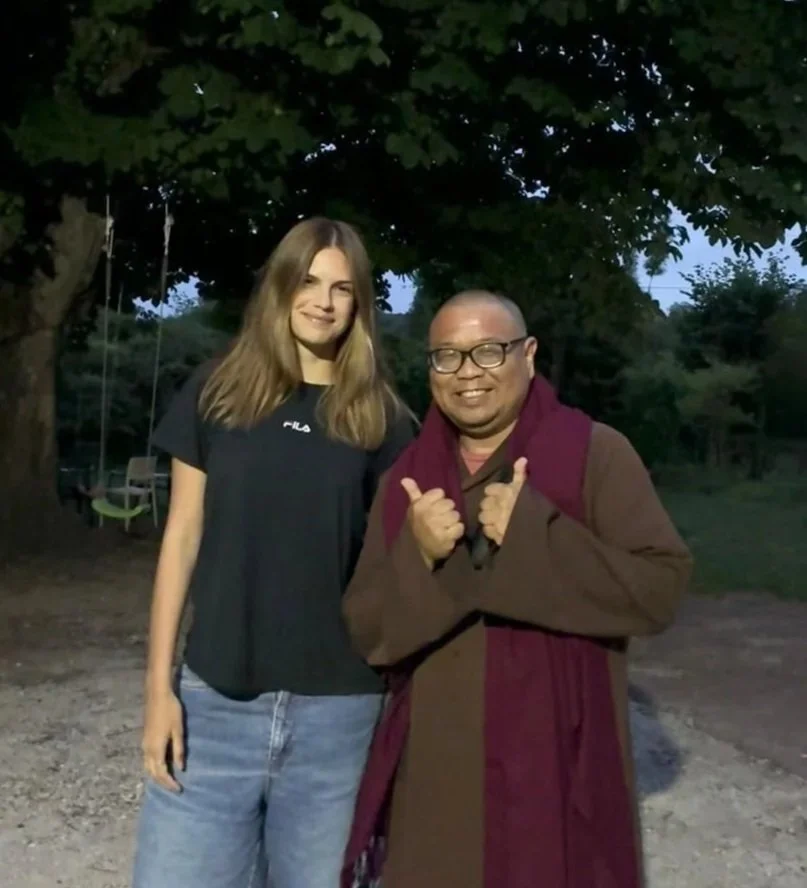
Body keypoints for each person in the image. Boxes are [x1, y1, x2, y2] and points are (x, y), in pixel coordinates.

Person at [340, 290, 693, 888]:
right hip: (436, 774)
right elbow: (368, 630)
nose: (468, 373)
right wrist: (418, 557)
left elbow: (660, 589)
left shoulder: (593, 454)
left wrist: (535, 535)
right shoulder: (409, 481)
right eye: (447, 357)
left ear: (528, 355)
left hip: (556, 765)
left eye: (488, 351)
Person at [131, 217, 414, 888]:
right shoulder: (218, 392)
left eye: (342, 289)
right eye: (309, 281)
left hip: (338, 717)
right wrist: (156, 692)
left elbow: (402, 564)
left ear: (359, 305)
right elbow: (180, 542)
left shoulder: (382, 418)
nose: (323, 301)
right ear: (280, 288)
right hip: (214, 703)